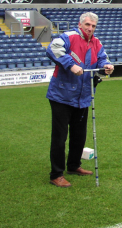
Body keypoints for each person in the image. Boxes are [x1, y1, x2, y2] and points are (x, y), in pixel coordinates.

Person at [46, 12, 114, 188]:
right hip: (62, 96)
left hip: (84, 96)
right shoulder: (69, 37)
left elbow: (102, 58)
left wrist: (106, 66)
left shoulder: (97, 42)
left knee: (79, 136)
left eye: (93, 26)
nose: (90, 29)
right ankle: (56, 174)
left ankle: (74, 166)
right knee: (60, 137)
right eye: (88, 25)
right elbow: (53, 48)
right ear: (80, 24)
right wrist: (70, 64)